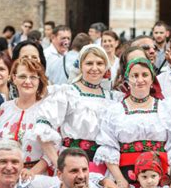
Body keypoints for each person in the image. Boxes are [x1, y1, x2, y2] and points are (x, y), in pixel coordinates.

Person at [95, 57, 171, 188]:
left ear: (152, 80)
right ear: (127, 80)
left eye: (145, 75)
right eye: (134, 75)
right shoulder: (114, 111)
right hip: (126, 175)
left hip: (161, 177)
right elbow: (109, 147)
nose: (140, 80)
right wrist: (120, 180)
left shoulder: (167, 108)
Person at [35, 45, 122, 174]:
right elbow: (42, 129)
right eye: (89, 63)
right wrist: (60, 165)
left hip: (103, 168)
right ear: (80, 66)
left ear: (106, 67)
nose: (94, 68)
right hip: (71, 164)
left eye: (99, 63)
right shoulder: (68, 93)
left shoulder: (113, 98)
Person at [0, 58, 49, 174]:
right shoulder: (5, 108)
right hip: (4, 173)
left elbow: (53, 150)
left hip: (34, 175)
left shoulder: (46, 110)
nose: (27, 81)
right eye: (23, 76)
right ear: (14, 78)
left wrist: (32, 172)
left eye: (33, 77)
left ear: (39, 81)